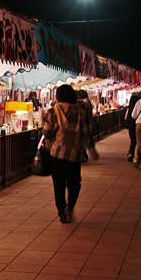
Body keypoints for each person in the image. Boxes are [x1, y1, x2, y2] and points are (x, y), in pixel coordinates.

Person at [43, 84, 95, 224]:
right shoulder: (81, 112)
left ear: (58, 96)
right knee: (74, 183)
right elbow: (86, 133)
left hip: (57, 155)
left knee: (58, 184)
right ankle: (70, 207)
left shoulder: (53, 112)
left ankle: (62, 212)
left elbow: (47, 132)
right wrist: (91, 149)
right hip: (75, 153)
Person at [124, 91, 141, 163]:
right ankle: (137, 155)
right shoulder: (138, 106)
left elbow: (126, 117)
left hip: (130, 125)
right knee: (138, 141)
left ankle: (131, 154)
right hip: (137, 124)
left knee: (133, 140)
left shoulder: (130, 108)